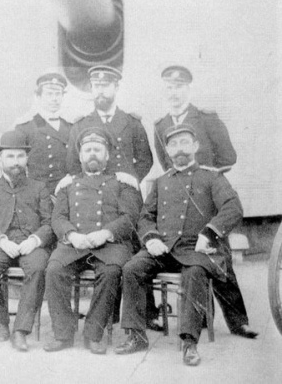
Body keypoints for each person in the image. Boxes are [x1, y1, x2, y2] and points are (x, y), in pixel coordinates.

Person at [115, 124, 245, 366]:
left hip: (196, 249)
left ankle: (189, 343)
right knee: (131, 268)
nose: (179, 148)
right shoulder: (161, 181)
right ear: (167, 151)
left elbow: (233, 207)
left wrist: (210, 233)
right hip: (164, 248)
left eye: (184, 142)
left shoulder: (212, 177)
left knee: (194, 273)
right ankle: (136, 336)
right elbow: (145, 216)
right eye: (173, 144)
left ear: (195, 146)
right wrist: (151, 238)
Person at [153, 65, 255, 339]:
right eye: (169, 88)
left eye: (179, 87)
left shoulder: (207, 118)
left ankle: (238, 322)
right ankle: (200, 318)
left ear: (189, 88)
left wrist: (207, 175)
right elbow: (166, 162)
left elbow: (228, 156)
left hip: (208, 193)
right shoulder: (160, 125)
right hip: (181, 197)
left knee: (220, 257)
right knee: (192, 260)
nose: (173, 93)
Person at [44, 127, 142, 354]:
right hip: (74, 244)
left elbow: (130, 217)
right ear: (80, 156)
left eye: (98, 149)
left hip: (110, 244)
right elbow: (58, 217)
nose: (92, 154)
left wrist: (105, 233)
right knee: (54, 270)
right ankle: (63, 334)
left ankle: (93, 334)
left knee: (110, 272)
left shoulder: (122, 183)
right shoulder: (67, 184)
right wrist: (71, 235)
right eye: (87, 150)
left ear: (107, 155)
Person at [0, 130, 53, 351]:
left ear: (27, 158)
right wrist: (1, 240)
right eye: (10, 156)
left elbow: (49, 223)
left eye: (20, 156)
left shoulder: (39, 188)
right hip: (1, 245)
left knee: (38, 269)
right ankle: (1, 321)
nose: (16, 161)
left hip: (31, 245)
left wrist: (35, 240)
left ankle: (21, 330)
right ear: (0, 159)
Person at [65, 66, 153, 183]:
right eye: (96, 86)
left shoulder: (132, 123)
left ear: (116, 87)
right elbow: (72, 164)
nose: (100, 91)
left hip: (124, 188)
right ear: (91, 88)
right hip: (92, 189)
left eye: (105, 86)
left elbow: (146, 160)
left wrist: (131, 179)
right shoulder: (80, 126)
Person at [14, 73, 73, 194]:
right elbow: (16, 167)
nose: (54, 99)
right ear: (38, 96)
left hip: (67, 190)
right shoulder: (26, 128)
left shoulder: (70, 127)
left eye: (58, 94)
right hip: (37, 193)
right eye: (49, 94)